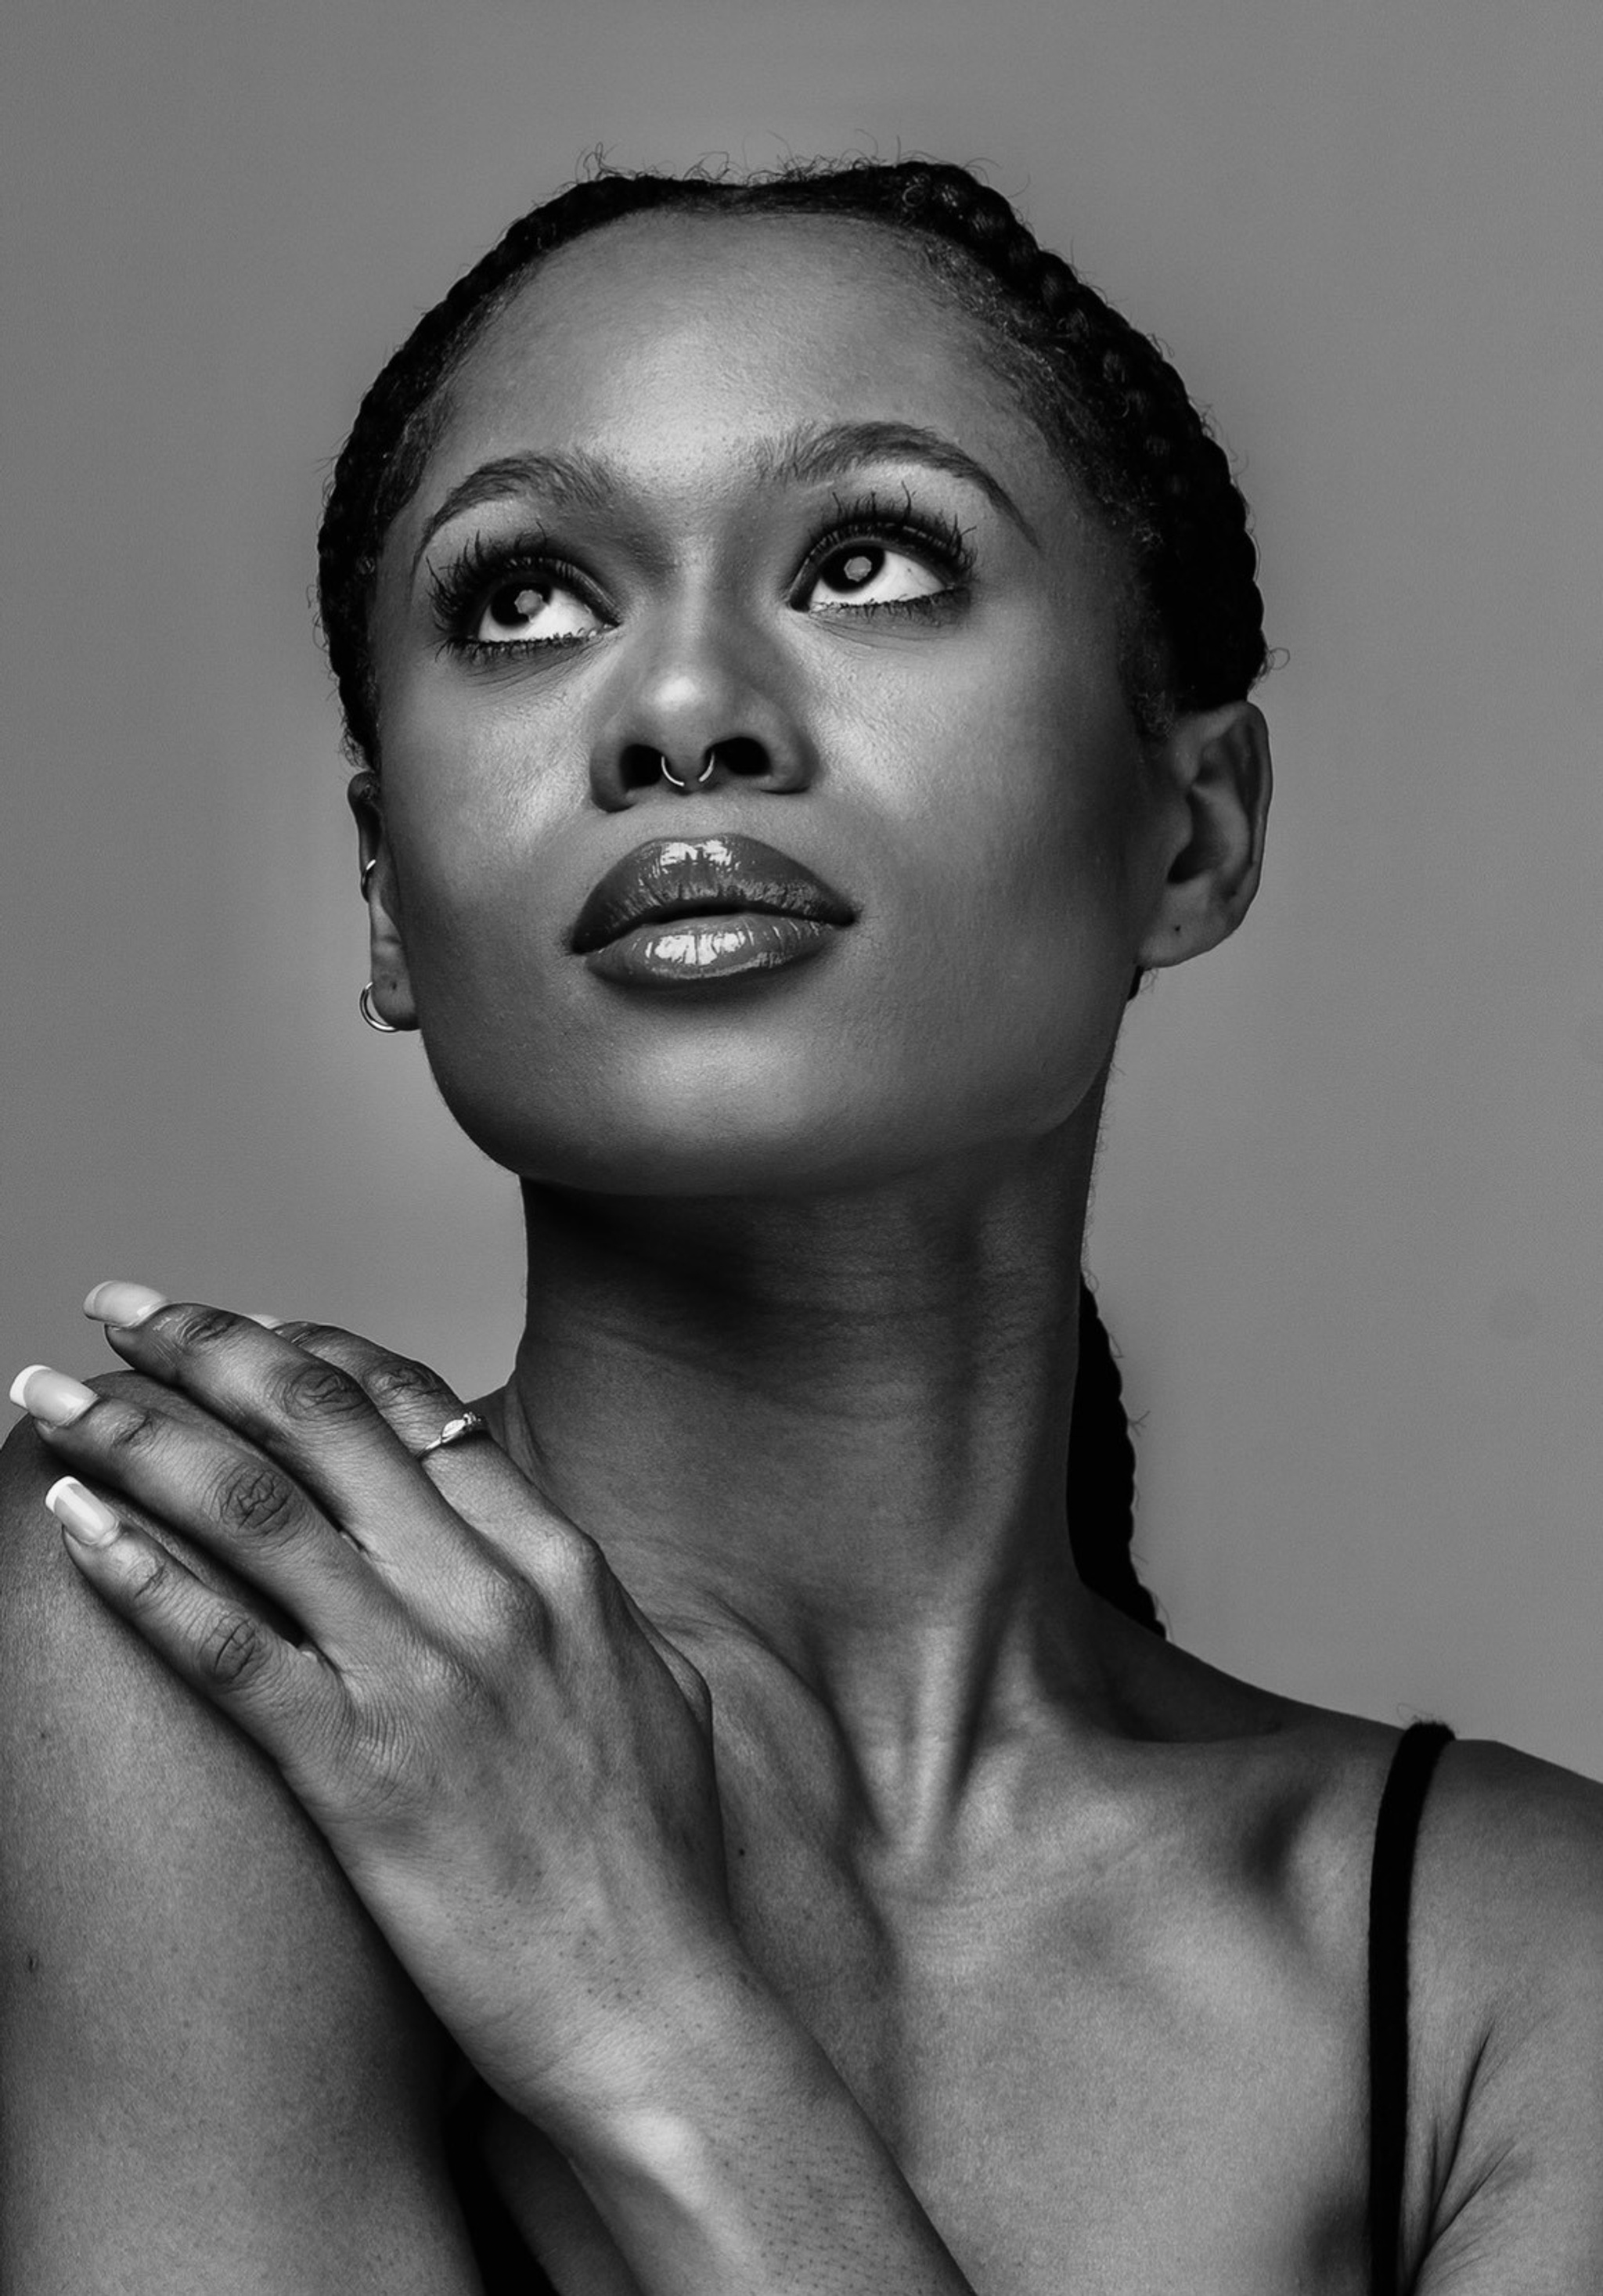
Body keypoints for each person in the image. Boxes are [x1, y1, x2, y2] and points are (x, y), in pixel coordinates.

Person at [2, 157, 1600, 2296]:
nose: (679, 711)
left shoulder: (1524, 1970)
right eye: (527, 601)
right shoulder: (211, 1631)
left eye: (866, 561)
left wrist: (640, 2014)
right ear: (387, 898)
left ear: (1194, 828)